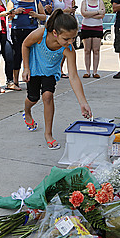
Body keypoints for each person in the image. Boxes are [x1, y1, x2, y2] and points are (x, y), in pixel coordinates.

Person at [22, 9, 92, 149]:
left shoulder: (68, 49)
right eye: (66, 39)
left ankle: (48, 134)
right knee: (33, 98)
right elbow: (25, 44)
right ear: (55, 33)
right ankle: (27, 111)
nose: (70, 42)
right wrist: (26, 68)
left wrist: (83, 102)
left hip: (50, 72)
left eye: (73, 38)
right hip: (35, 68)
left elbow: (73, 76)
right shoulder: (41, 34)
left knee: (48, 96)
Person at [7, 0, 46, 87]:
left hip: (31, 31)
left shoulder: (35, 1)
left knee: (32, 55)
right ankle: (15, 80)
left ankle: (31, 78)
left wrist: (36, 15)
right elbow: (8, 16)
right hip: (17, 31)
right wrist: (15, 12)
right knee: (17, 55)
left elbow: (44, 16)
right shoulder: (13, 0)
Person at [49, 0, 76, 78]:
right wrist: (65, 11)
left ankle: (60, 69)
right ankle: (55, 69)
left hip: (63, 25)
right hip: (55, 25)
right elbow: (51, 11)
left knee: (63, 48)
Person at [80, 0, 105, 78]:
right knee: (87, 50)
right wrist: (97, 12)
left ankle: (95, 71)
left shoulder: (100, 2)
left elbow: (102, 15)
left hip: (97, 28)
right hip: (86, 27)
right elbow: (84, 14)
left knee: (96, 50)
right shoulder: (84, 2)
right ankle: (87, 71)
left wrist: (89, 14)